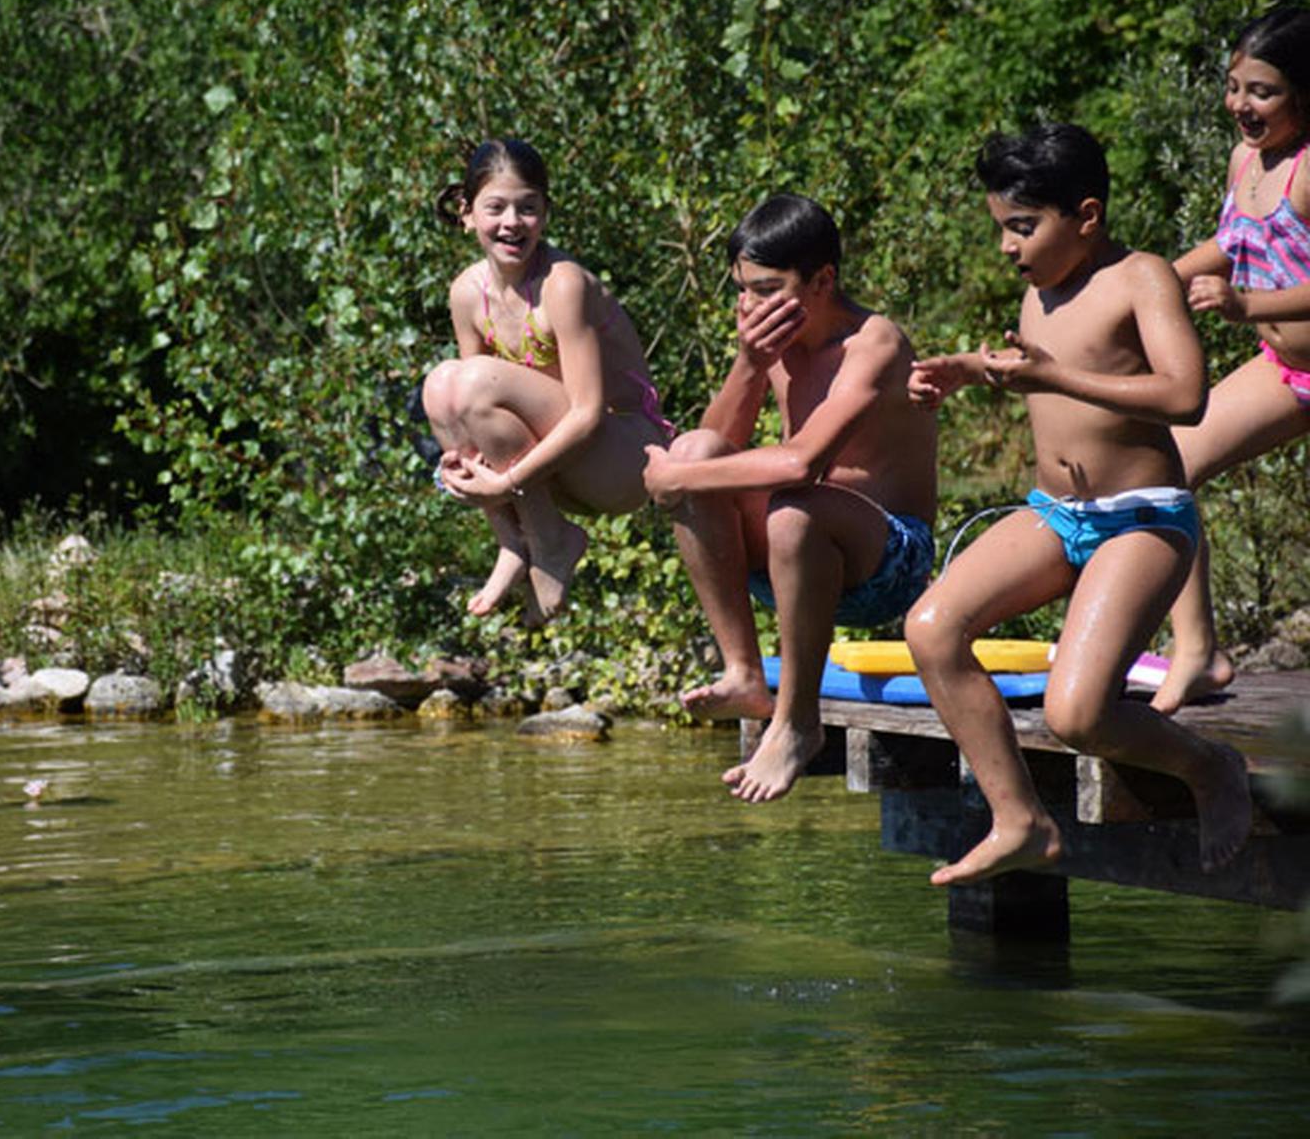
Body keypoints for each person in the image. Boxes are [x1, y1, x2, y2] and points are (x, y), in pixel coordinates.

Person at [905, 123, 1251, 885]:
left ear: (1086, 216)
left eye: (1022, 228)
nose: (1006, 246)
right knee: (931, 628)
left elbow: (1185, 395)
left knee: (1078, 715)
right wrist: (966, 369)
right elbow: (1031, 369)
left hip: (1143, 519)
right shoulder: (1039, 292)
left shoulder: (1140, 278)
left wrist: (1054, 377)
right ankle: (1020, 818)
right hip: (1058, 515)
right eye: (1001, 228)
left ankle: (1208, 765)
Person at [642, 194, 938, 803]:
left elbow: (805, 461)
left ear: (822, 280)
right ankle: (744, 671)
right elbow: (716, 444)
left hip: (887, 560)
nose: (750, 306)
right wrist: (751, 364)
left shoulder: (873, 344)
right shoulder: (771, 344)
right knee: (698, 452)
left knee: (790, 506)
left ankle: (798, 722)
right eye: (742, 290)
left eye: (766, 289)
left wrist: (675, 480)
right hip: (788, 554)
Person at [421, 139, 675, 624]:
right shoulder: (466, 294)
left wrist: (506, 483)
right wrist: (457, 472)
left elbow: (587, 411)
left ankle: (550, 541)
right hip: (551, 466)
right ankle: (513, 541)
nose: (512, 222)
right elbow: (469, 419)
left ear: (546, 214)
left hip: (624, 454)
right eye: (495, 208)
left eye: (528, 208)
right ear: (467, 213)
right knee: (441, 387)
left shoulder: (563, 284)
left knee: (471, 381)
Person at [1154, 5, 1310, 712]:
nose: (1241, 105)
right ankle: (1198, 650)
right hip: (1286, 371)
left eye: (1262, 91)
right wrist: (1152, 282)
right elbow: (1234, 243)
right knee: (1167, 465)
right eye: (1233, 86)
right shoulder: (1246, 159)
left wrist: (1246, 307)